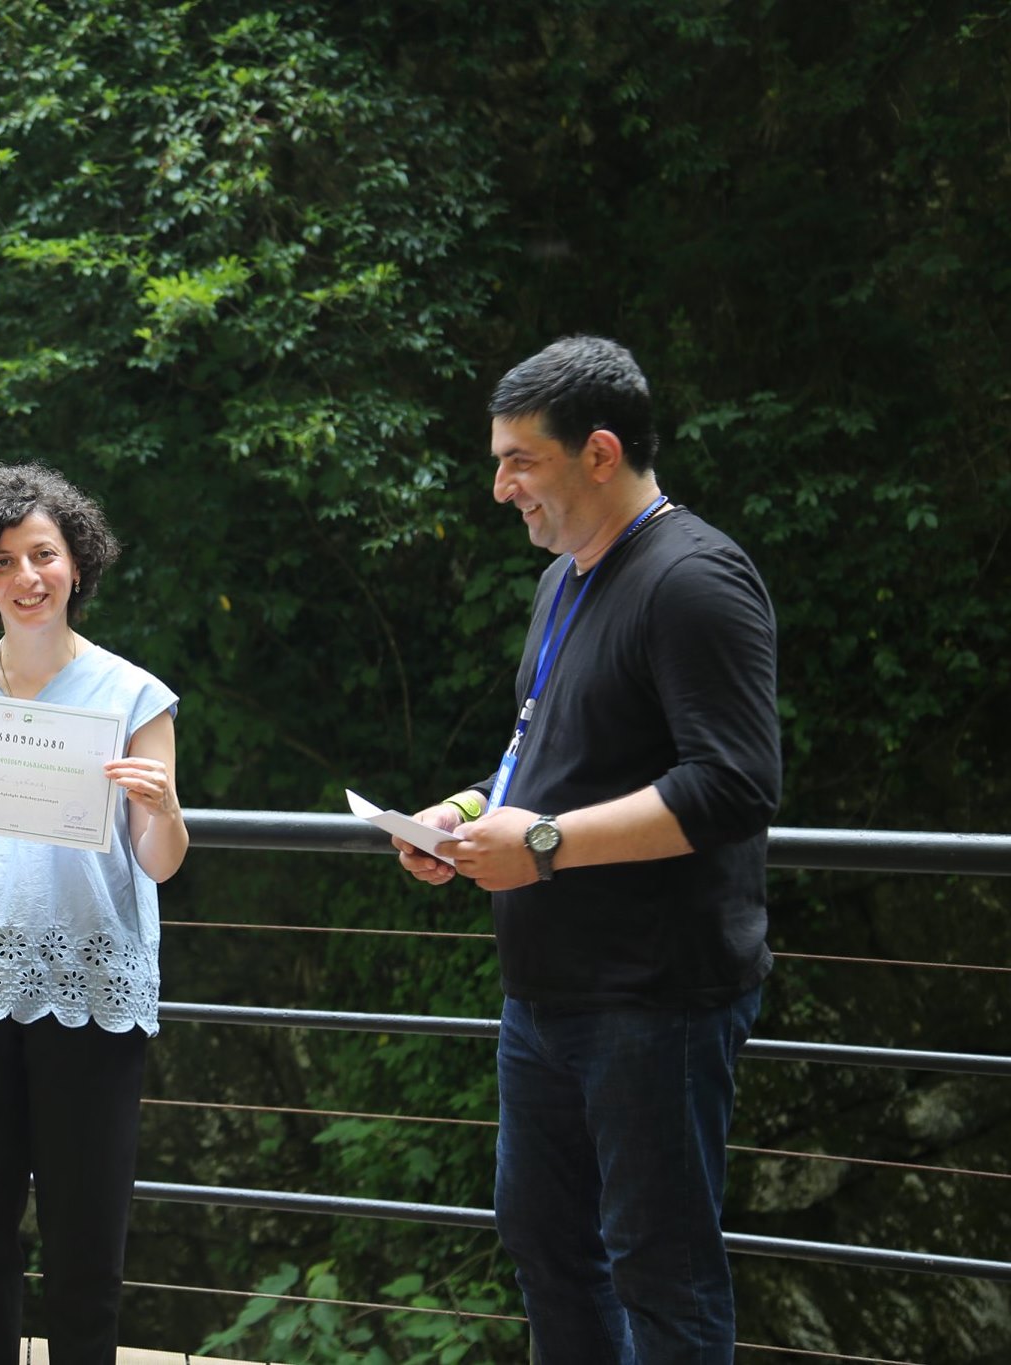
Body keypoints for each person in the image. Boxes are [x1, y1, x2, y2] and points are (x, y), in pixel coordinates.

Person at [392, 336, 780, 1363]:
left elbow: (733, 786)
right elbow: (545, 749)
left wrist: (544, 843)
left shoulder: (693, 579)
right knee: (545, 1245)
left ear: (599, 452)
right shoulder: (564, 579)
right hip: (546, 994)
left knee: (660, 1272)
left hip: (654, 997)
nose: (499, 488)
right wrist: (466, 810)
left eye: (519, 461)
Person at [0, 463, 189, 1365]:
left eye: (43, 554)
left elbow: (159, 862)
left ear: (77, 562)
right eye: (3, 559)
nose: (27, 576)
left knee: (86, 1238)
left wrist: (164, 806)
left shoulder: (135, 696)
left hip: (88, 988)